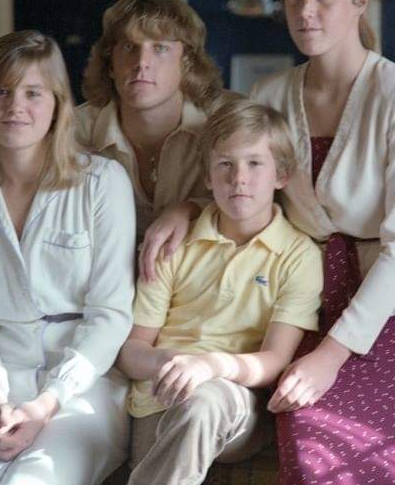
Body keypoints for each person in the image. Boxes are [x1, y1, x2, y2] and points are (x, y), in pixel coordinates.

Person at [249, 0, 395, 484]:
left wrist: (330, 357)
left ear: (359, 0)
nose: (305, 10)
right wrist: (178, 214)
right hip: (306, 310)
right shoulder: (267, 96)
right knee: (314, 464)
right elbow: (239, 196)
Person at [0, 30, 136, 485]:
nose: (14, 106)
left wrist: (47, 402)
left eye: (33, 92)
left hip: (82, 385)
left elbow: (111, 315)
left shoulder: (102, 183)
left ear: (58, 104)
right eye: (0, 91)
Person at [117, 98, 323, 485]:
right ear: (208, 177)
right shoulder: (174, 243)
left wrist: (210, 366)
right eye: (225, 164)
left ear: (281, 174)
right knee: (188, 405)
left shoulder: (298, 255)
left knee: (206, 400)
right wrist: (175, 364)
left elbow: (275, 360)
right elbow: (131, 351)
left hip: (236, 403)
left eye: (254, 164)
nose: (238, 178)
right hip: (159, 400)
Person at [76, 0, 229, 271]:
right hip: (102, 281)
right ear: (110, 64)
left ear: (187, 62)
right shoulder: (73, 131)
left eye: (160, 48)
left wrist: (191, 208)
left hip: (204, 279)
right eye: (129, 47)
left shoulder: (229, 121)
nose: (141, 62)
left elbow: (259, 211)